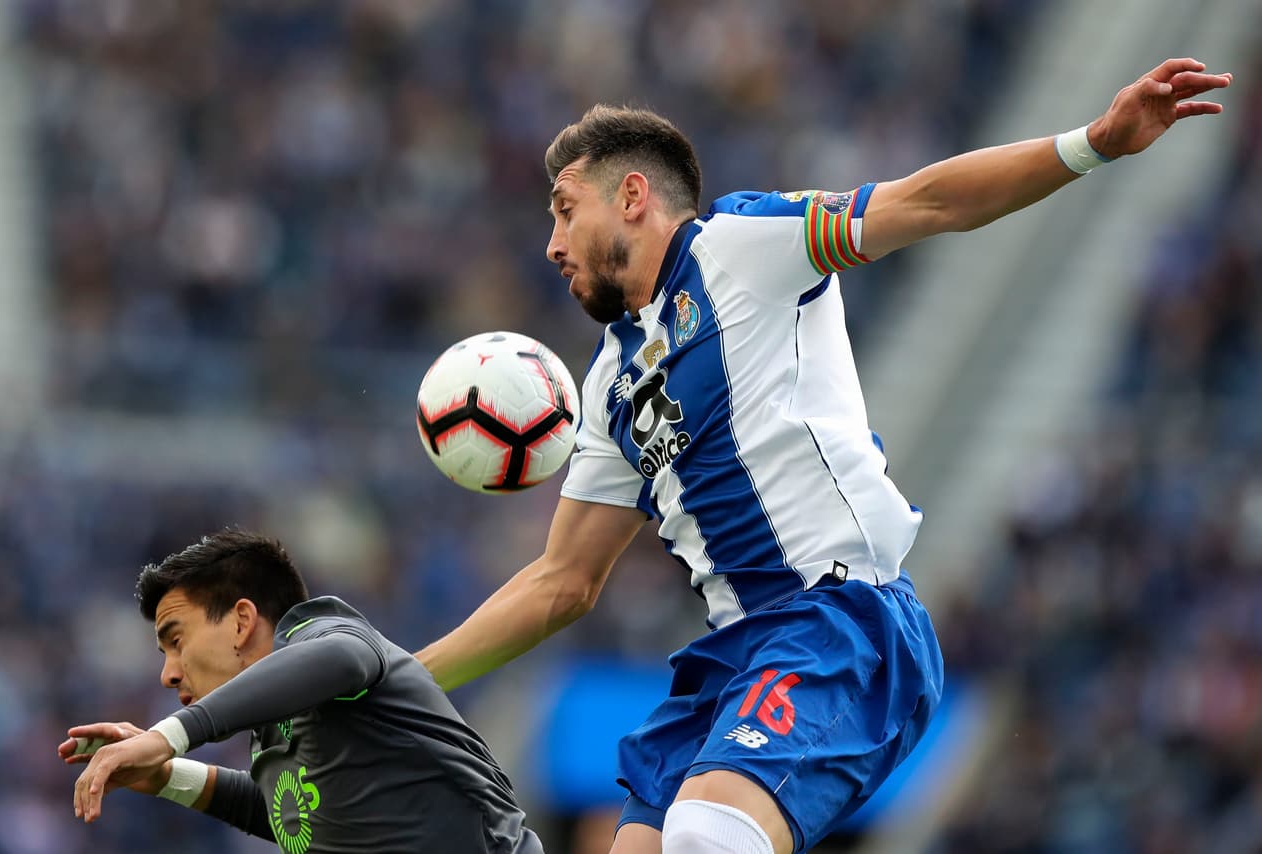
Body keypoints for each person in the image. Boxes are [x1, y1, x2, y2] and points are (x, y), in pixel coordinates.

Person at [412, 57, 1232, 854]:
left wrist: (1093, 140)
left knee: (708, 833)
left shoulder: (742, 243)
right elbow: (562, 583)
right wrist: (407, 682)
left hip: (843, 620)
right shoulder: (610, 386)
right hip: (732, 655)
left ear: (632, 196)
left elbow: (931, 201)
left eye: (564, 209)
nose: (552, 243)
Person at [60, 529, 543, 853]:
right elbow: (289, 813)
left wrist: (168, 736)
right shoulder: (276, 731)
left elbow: (343, 658)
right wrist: (166, 776)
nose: (168, 673)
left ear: (242, 621)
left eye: (177, 640)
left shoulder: (323, 635)